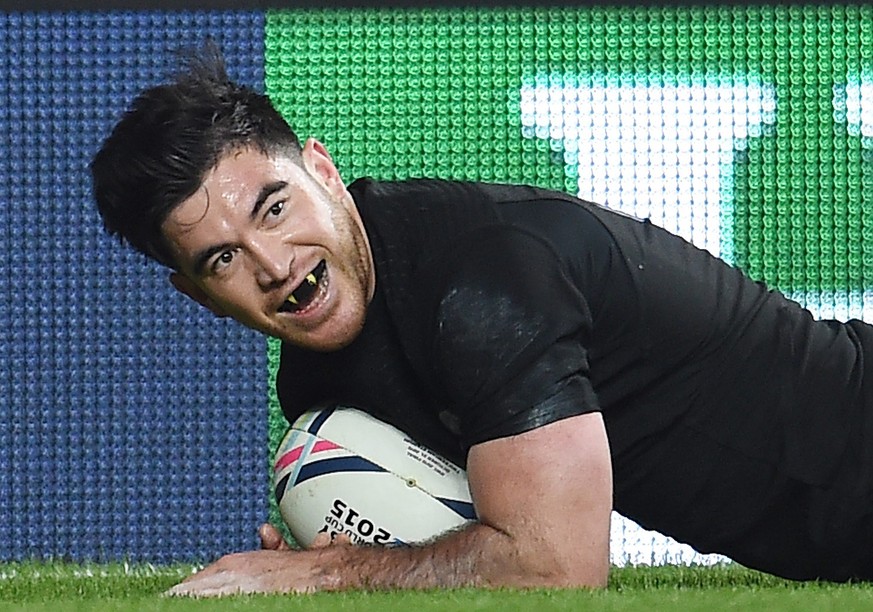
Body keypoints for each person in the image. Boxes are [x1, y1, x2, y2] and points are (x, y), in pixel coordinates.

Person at [91, 46, 873, 597]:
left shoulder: (480, 280)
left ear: (323, 170)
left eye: (274, 206)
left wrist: (320, 574)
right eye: (222, 259)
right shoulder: (322, 380)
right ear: (196, 295)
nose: (272, 262)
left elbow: (554, 566)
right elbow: (451, 546)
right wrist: (344, 558)